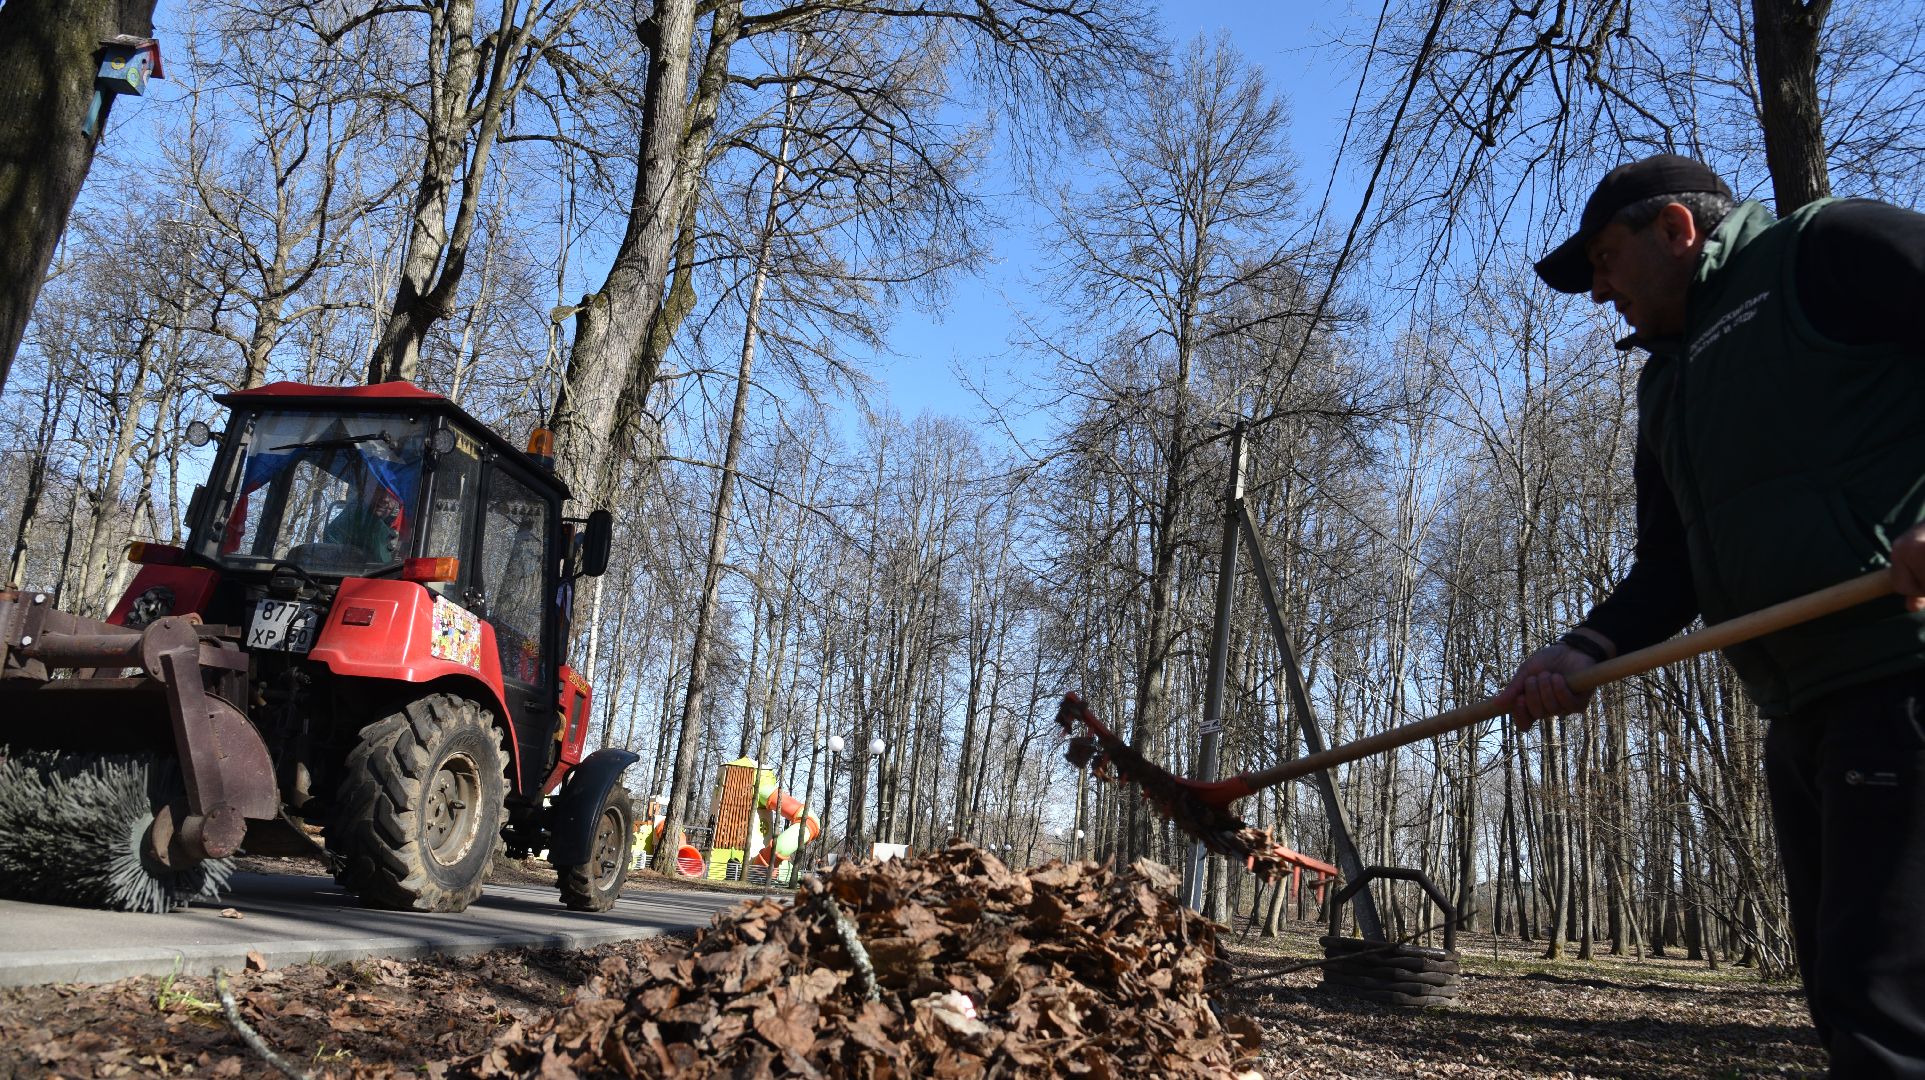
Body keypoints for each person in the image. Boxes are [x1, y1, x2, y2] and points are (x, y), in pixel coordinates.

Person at [1501, 153, 1925, 1075]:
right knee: (1842, 999)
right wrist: (1577, 649)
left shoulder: (1824, 250)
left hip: (1902, 677)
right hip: (1800, 711)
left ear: (1675, 230)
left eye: (1604, 261)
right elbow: (1669, 570)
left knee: (1884, 1011)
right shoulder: (1668, 384)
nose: (1596, 291)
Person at [323, 483, 402, 563]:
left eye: (392, 494)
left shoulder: (394, 530)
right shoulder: (354, 517)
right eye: (380, 490)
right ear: (366, 492)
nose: (386, 499)